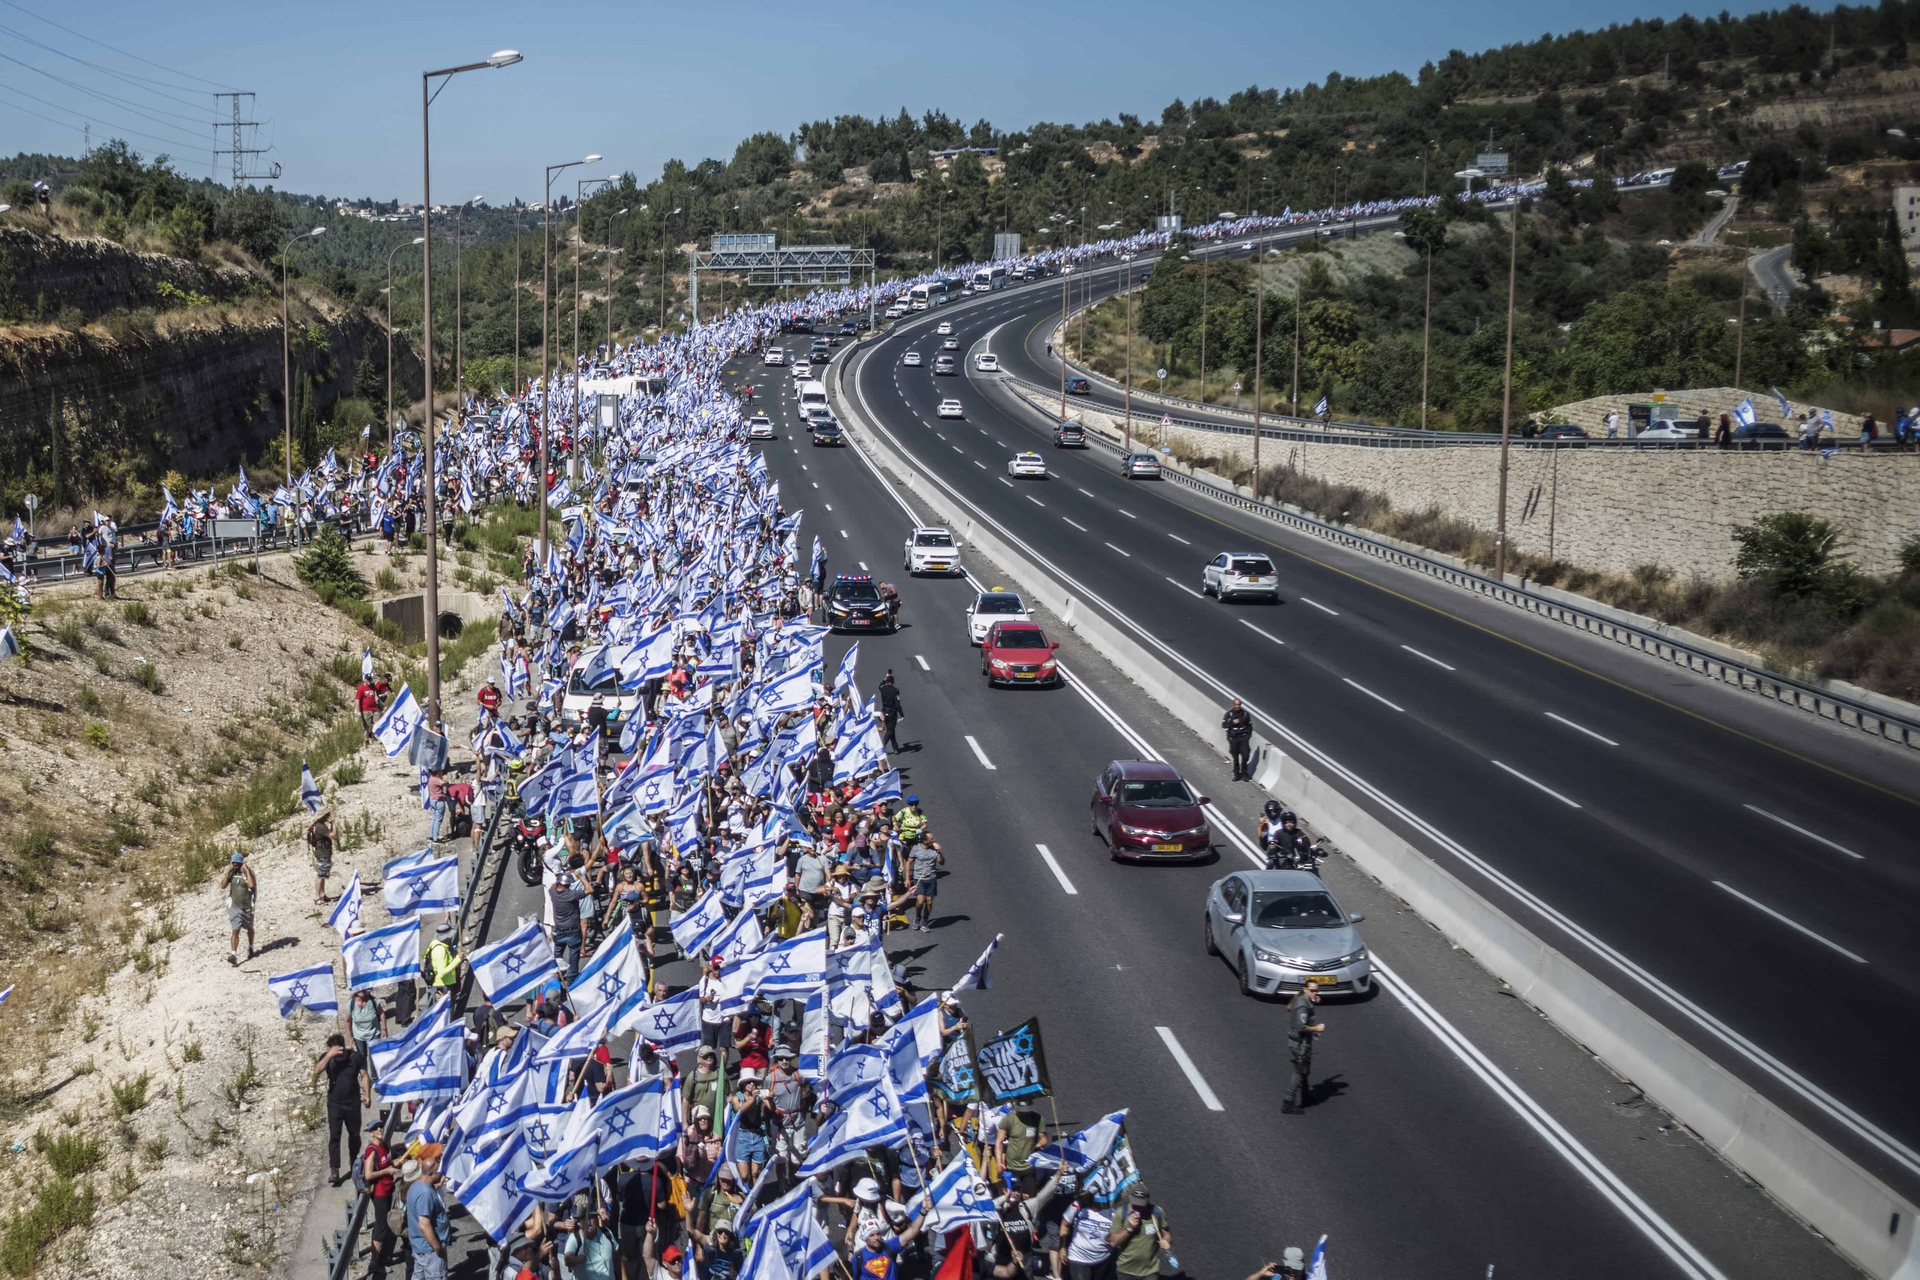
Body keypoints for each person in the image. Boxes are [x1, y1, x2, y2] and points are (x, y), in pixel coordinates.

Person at [311, 1033, 370, 1186]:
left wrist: (367, 1095)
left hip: (352, 1103)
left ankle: (354, 1161)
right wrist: (329, 1055)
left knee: (354, 1134)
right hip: (335, 1104)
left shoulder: (355, 1057)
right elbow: (317, 1071)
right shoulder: (328, 1059)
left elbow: (364, 1076)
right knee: (335, 1136)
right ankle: (334, 1170)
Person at [406, 1145, 451, 1280]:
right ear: (431, 1173)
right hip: (429, 1251)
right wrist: (438, 1248)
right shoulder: (425, 1194)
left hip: (420, 1248)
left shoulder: (416, 1186)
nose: (442, 1173)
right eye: (439, 1171)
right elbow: (424, 1224)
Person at [1282, 978, 1326, 1114]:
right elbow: (1301, 1027)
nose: (1315, 993)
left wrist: (1313, 1001)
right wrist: (1317, 1029)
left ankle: (1306, 1095)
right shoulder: (1303, 1006)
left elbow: (1289, 1007)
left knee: (1305, 1070)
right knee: (1299, 1072)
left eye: (1317, 991)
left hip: (1302, 1042)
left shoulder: (1302, 998)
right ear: (1306, 990)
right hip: (1299, 1043)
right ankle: (1288, 1103)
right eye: (1312, 991)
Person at [1109, 1187, 1173, 1280]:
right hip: (1125, 1271)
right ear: (1130, 1198)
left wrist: (1166, 1241)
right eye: (1135, 1203)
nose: (1138, 1207)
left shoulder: (1157, 1212)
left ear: (1147, 1199)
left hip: (1150, 1271)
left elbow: (1167, 1234)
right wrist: (1129, 1228)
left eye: (1141, 1204)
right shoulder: (1121, 1213)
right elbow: (1113, 1242)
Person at [361, 1119, 397, 1280]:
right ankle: (374, 1262)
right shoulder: (372, 1150)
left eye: (381, 1126)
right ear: (371, 1133)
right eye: (376, 1128)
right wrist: (386, 1171)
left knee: (387, 1225)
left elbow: (387, 1164)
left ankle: (381, 1257)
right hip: (380, 1193)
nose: (380, 1129)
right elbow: (369, 1175)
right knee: (381, 1227)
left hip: (389, 1190)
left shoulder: (385, 1146)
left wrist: (394, 1165)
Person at [221, 850, 256, 965]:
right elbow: (223, 886)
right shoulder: (232, 873)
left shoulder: (248, 873)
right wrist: (228, 872)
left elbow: (251, 885)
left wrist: (246, 870)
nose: (235, 865)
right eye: (233, 863)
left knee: (249, 928)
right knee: (235, 930)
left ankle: (250, 947)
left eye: (237, 863)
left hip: (247, 907)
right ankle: (233, 954)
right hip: (235, 907)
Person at [905, 835, 943, 933]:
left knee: (929, 902)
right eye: (931, 839)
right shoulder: (916, 849)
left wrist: (939, 852)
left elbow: (941, 862)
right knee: (920, 901)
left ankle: (924, 921)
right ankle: (917, 917)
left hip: (931, 878)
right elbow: (909, 862)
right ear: (924, 841)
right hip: (919, 878)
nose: (933, 840)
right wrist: (907, 878)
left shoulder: (934, 849)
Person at [307, 811, 336, 904]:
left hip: (323, 852)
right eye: (327, 815)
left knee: (323, 874)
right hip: (322, 852)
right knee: (321, 874)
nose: (329, 816)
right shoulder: (320, 827)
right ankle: (317, 896)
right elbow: (334, 835)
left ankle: (322, 894)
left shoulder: (319, 825)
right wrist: (333, 823)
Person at [1222, 698, 1253, 781]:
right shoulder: (1229, 714)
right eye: (1236, 704)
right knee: (1235, 757)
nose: (1237, 706)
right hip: (1234, 738)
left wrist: (1248, 736)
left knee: (1245, 755)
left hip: (1243, 737)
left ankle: (1244, 772)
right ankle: (1236, 774)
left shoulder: (1245, 714)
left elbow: (1249, 726)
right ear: (1234, 705)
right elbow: (1224, 725)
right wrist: (1232, 722)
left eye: (1239, 704)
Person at [348, 988, 386, 1058]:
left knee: (375, 1056)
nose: (361, 990)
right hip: (358, 1036)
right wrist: (350, 1037)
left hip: (374, 1033)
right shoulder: (351, 1003)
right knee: (361, 1057)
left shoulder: (373, 1001)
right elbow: (347, 1021)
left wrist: (384, 1030)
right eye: (358, 988)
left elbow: (381, 1013)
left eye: (363, 988)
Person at [876, 672, 904, 753]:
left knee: (891, 729)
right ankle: (882, 747)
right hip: (892, 713)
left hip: (884, 712)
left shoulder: (883, 689)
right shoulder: (895, 691)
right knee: (890, 731)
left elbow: (880, 686)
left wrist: (885, 678)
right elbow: (897, 704)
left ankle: (895, 747)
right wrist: (902, 714)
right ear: (893, 682)